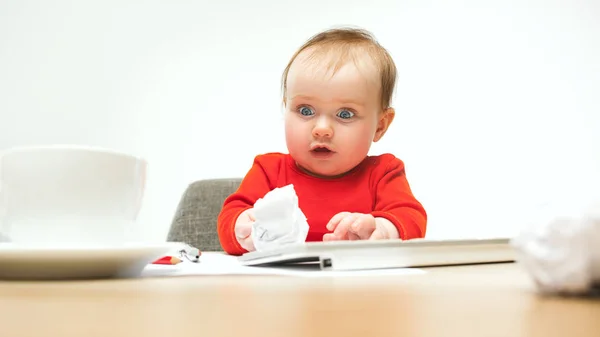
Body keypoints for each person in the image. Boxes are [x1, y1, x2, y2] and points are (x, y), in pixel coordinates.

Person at [217, 27, 427, 256]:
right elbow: (230, 219)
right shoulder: (268, 171)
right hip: (282, 288)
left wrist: (383, 230)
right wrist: (242, 229)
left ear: (380, 126)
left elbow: (411, 219)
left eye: (345, 114)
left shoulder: (384, 173)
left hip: (358, 289)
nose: (322, 129)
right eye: (305, 110)